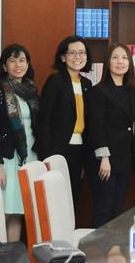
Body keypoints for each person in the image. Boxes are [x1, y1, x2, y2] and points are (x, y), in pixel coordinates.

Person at [0, 44, 40, 242]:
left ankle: (11, 256)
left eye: (22, 60)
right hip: (6, 161)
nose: (18, 65)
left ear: (28, 64)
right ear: (4, 66)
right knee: (1, 214)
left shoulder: (31, 93)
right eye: (12, 61)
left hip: (27, 158)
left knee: (17, 212)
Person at [38, 35, 93, 208]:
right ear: (63, 57)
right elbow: (44, 121)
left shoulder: (87, 84)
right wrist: (47, 156)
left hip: (80, 149)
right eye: (72, 53)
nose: (78, 57)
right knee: (56, 200)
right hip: (58, 149)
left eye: (82, 53)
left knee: (73, 197)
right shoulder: (55, 81)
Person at [87, 43, 135, 227]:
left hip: (124, 158)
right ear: (108, 62)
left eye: (124, 57)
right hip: (105, 160)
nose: (120, 61)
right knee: (103, 208)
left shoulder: (131, 91)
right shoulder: (98, 91)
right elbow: (96, 126)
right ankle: (98, 244)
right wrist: (104, 158)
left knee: (117, 209)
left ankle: (112, 245)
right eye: (115, 57)